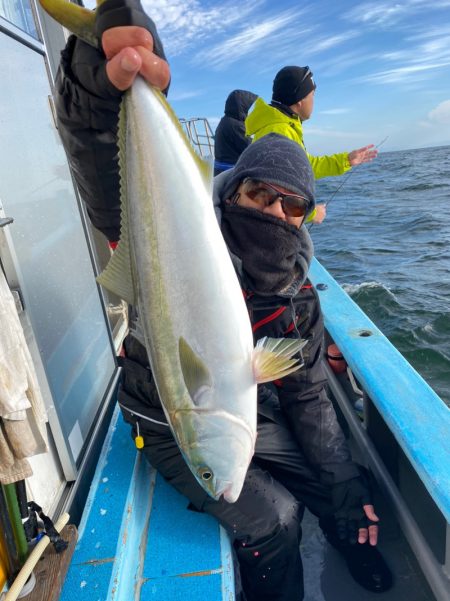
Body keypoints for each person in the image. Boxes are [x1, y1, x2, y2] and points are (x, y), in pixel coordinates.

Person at [53, 2, 392, 599]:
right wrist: (93, 87)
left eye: (291, 205)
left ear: (304, 214)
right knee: (276, 520)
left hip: (238, 417)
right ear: (233, 192)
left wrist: (342, 483)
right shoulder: (189, 240)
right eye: (260, 195)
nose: (275, 213)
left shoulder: (297, 295)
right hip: (169, 422)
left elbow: (310, 394)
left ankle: (349, 540)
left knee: (340, 487)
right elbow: (104, 180)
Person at [245, 65, 379, 224]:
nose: (314, 100)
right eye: (312, 94)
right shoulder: (280, 132)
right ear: (300, 100)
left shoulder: (284, 126)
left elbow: (304, 168)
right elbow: (272, 189)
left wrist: (346, 160)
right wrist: (311, 214)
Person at [214, 89, 257, 175]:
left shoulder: (225, 120)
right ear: (242, 106)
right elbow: (252, 148)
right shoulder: (235, 125)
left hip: (220, 170)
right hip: (230, 172)